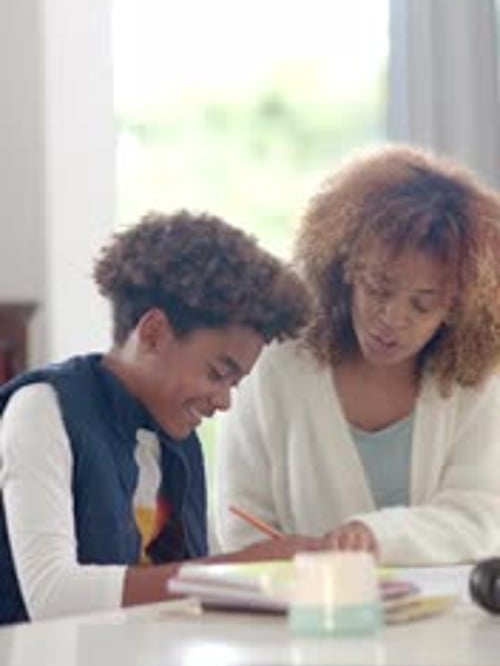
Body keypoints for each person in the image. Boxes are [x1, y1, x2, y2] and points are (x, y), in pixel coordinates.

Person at [0, 210, 329, 625]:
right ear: (154, 332)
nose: (224, 402)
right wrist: (239, 569)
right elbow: (53, 595)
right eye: (217, 373)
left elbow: (193, 578)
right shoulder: (42, 409)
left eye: (235, 383)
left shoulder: (179, 442)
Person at [215, 145, 500, 566]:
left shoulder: (475, 380)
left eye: (422, 304)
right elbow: (241, 517)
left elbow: (482, 518)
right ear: (344, 268)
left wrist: (373, 537)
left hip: (444, 623)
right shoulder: (279, 361)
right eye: (378, 289)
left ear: (456, 307)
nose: (392, 319)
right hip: (300, 617)